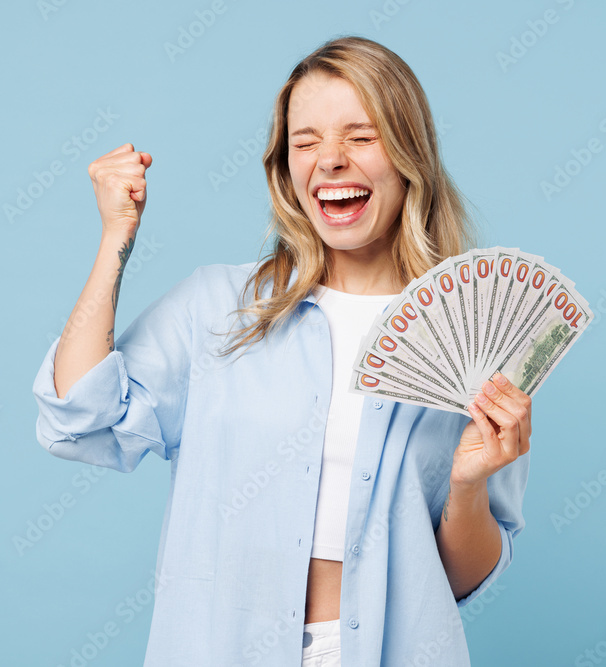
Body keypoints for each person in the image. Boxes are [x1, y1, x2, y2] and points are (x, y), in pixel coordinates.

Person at [32, 35, 531, 667]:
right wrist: (115, 242)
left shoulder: (474, 334)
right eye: (306, 141)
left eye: (361, 135)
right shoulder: (218, 307)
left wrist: (467, 486)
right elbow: (76, 417)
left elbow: (461, 581)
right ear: (285, 167)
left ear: (410, 154)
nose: (330, 160)